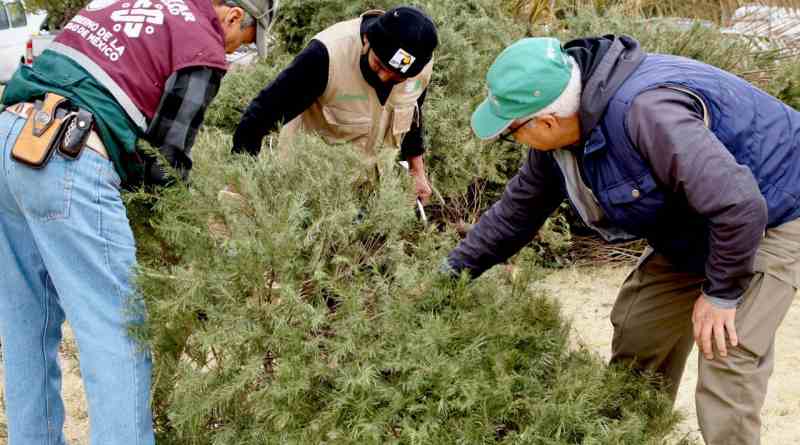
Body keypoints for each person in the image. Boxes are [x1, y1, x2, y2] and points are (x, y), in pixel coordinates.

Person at [445, 36, 800, 445]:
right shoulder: (559, 141)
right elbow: (517, 212)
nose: (516, 141)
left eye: (512, 131)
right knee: (639, 331)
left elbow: (740, 206)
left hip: (775, 211)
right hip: (701, 220)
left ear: (545, 122)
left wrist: (721, 295)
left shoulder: (646, 113)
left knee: (727, 355)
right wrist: (450, 274)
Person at [0, 0, 272, 443]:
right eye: (245, 40)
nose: (237, 50)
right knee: (118, 335)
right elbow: (164, 161)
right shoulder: (202, 44)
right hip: (68, 155)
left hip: (10, 139)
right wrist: (180, 237)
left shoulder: (133, 5)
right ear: (234, 15)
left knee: (27, 325)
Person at [232, 6, 438, 203]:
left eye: (397, 78)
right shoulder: (326, 56)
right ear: (367, 40)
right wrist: (241, 186)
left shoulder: (419, 67)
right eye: (379, 65)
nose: (384, 77)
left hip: (369, 194)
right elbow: (258, 118)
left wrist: (417, 171)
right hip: (305, 193)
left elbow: (412, 114)